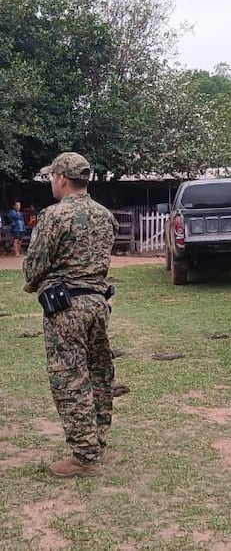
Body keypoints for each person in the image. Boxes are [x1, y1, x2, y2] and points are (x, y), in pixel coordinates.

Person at [22, 152, 119, 478]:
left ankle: (83, 457)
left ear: (62, 178)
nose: (52, 182)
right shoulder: (105, 216)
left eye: (52, 177)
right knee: (98, 374)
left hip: (66, 310)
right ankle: (97, 441)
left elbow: (34, 266)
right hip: (97, 304)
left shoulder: (55, 216)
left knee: (70, 380)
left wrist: (32, 282)